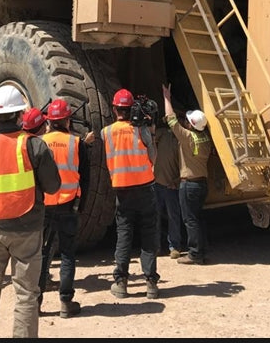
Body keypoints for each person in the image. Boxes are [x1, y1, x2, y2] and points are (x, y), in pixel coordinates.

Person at [0, 84, 61, 338]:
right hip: (28, 230)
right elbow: (53, 186)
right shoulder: (35, 146)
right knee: (27, 294)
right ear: (20, 115)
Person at [84, 88, 160, 300]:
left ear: (115, 108)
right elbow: (153, 157)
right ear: (132, 108)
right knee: (148, 235)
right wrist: (150, 131)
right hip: (145, 187)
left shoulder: (106, 132)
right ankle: (151, 283)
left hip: (122, 190)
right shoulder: (141, 130)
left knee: (124, 235)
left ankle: (121, 283)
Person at [38, 98, 90, 318]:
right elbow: (85, 178)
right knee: (68, 254)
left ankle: (36, 303)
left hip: (44, 207)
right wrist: (82, 205)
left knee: (42, 254)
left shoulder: (38, 142)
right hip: (68, 205)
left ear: (49, 121)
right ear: (68, 120)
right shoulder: (77, 143)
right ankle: (66, 303)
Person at [162, 83, 213, 265]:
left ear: (190, 125)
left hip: (189, 185)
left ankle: (194, 254)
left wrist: (167, 97)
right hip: (202, 184)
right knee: (198, 217)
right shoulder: (206, 138)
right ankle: (203, 250)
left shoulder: (187, 138)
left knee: (190, 219)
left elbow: (170, 119)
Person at [153, 124, 183, 260]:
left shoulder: (182, 140)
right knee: (155, 217)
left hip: (172, 186)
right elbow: (151, 135)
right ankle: (155, 246)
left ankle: (174, 247)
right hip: (157, 183)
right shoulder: (164, 134)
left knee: (173, 217)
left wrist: (177, 181)